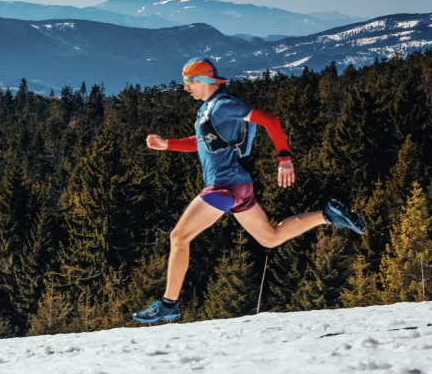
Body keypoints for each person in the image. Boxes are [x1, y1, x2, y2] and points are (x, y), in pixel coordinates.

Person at [133, 57, 366, 323]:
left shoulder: (223, 105)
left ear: (204, 81)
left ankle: (168, 304)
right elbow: (202, 143)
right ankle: (327, 215)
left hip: (223, 186)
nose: (186, 89)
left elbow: (269, 119)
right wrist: (168, 145)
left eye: (189, 83)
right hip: (238, 185)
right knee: (270, 238)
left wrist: (284, 158)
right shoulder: (209, 109)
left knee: (179, 237)